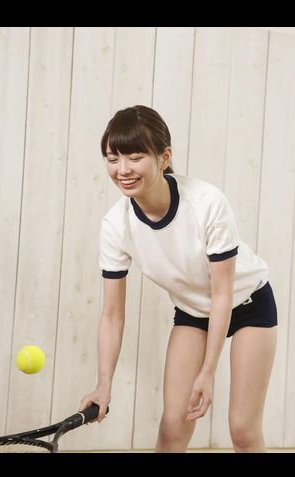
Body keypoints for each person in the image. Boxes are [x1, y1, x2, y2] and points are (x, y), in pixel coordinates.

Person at [79, 105, 277, 453]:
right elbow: (112, 315)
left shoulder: (207, 203)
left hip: (247, 304)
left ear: (164, 157)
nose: (122, 170)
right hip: (193, 312)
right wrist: (104, 384)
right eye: (113, 158)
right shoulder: (115, 225)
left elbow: (222, 294)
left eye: (135, 157)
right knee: (173, 428)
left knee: (243, 430)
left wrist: (208, 371)